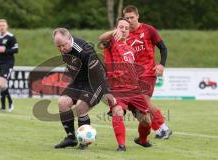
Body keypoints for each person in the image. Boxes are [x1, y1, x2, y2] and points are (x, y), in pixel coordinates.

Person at [99, 5, 172, 139]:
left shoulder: (148, 30)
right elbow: (105, 41)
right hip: (131, 77)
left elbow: (163, 48)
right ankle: (149, 129)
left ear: (138, 16)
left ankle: (162, 128)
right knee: (135, 107)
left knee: (144, 98)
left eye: (132, 17)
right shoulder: (123, 34)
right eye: (127, 18)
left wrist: (162, 64)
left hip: (148, 71)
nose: (130, 20)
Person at [52, 28, 115, 150]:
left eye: (63, 45)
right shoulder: (65, 47)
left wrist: (107, 92)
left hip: (94, 82)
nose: (61, 49)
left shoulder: (84, 50)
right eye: (58, 46)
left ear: (69, 38)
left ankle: (84, 142)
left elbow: (98, 72)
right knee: (62, 103)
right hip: (78, 82)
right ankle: (71, 138)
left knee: (81, 107)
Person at [102, 18, 153, 151]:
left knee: (147, 121)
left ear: (129, 31)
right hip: (117, 89)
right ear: (116, 28)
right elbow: (101, 38)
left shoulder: (131, 48)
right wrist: (113, 32)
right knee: (117, 111)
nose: (124, 30)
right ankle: (121, 145)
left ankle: (142, 140)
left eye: (126, 28)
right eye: (121, 27)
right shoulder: (111, 44)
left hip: (134, 90)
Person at [0, 19, 18, 112]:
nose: (1, 27)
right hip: (0, 63)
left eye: (3, 25)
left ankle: (10, 102)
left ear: (7, 26)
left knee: (1, 83)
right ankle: (3, 107)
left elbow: (16, 50)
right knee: (1, 85)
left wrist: (5, 50)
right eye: (0, 25)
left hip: (8, 63)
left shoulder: (11, 37)